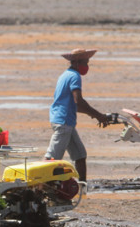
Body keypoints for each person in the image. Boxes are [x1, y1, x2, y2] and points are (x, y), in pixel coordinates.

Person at [45, 48, 110, 181]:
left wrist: (92, 114)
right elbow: (78, 101)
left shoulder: (65, 75)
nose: (87, 66)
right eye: (85, 63)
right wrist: (98, 115)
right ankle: (41, 184)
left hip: (67, 121)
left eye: (87, 63)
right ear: (76, 62)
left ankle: (82, 187)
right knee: (52, 159)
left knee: (80, 155)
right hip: (63, 122)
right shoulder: (74, 76)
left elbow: (72, 104)